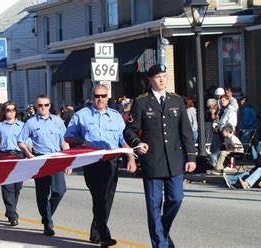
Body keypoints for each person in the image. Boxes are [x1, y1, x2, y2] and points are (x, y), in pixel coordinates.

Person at [124, 64, 196, 248]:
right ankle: (160, 244)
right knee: (154, 206)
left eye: (164, 76)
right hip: (153, 161)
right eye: (157, 77)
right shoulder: (141, 102)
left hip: (174, 160)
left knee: (176, 199)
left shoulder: (176, 100)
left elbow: (186, 131)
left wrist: (191, 157)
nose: (162, 79)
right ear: (150, 80)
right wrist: (137, 144)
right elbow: (130, 131)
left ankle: (161, 232)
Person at [65, 85, 137, 247]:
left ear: (108, 97)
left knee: (107, 198)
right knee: (99, 198)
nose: (100, 99)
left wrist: (131, 158)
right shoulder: (81, 115)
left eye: (103, 96)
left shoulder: (116, 116)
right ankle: (104, 236)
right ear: (92, 96)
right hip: (92, 161)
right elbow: (68, 137)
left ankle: (96, 233)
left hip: (111, 161)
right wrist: (83, 142)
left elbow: (122, 140)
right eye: (97, 96)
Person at [17, 95, 70, 237]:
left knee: (60, 191)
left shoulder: (58, 121)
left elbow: (64, 142)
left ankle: (46, 215)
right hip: (40, 159)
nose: (43, 108)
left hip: (56, 158)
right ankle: (48, 223)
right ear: (36, 106)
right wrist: (29, 155)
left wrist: (68, 161)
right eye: (40, 105)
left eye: (46, 105)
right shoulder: (31, 123)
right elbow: (21, 141)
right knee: (42, 193)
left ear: (50, 106)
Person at [0, 101, 24, 227]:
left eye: (13, 109)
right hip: (4, 156)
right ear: (4, 112)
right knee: (7, 187)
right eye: (8, 110)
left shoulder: (22, 125)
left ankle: (10, 209)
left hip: (19, 156)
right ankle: (13, 215)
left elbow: (28, 141)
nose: (11, 112)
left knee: (17, 187)